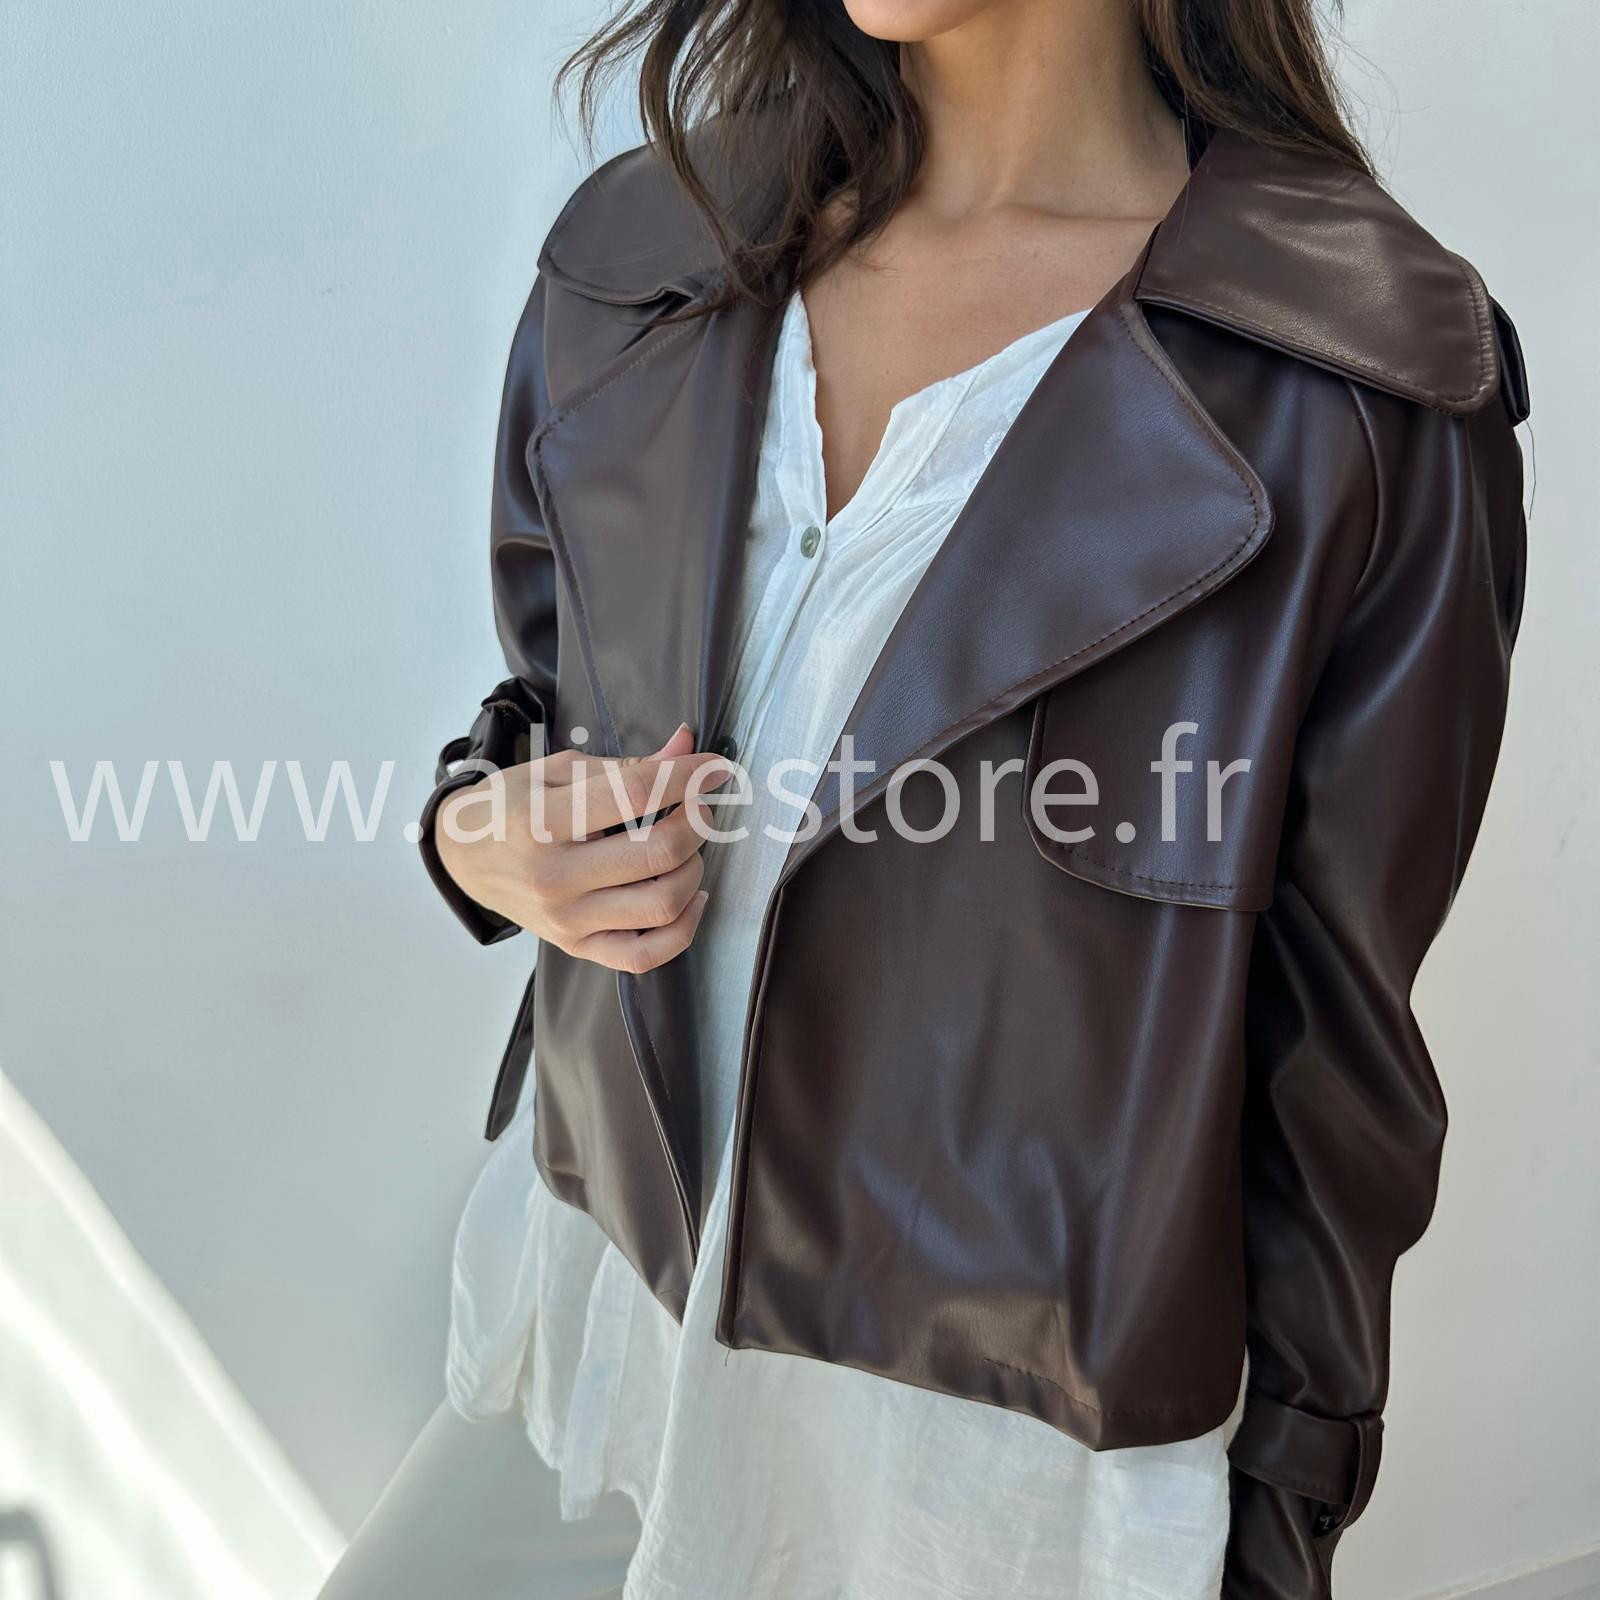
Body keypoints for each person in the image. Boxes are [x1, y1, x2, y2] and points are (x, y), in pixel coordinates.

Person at [318, 0, 1530, 1595]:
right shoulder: (646, 252)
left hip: (986, 1479)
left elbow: (1335, 1065)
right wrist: (476, 837)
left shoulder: (1355, 388)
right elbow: (550, 715)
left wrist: (1284, 1509)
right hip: (601, 1330)